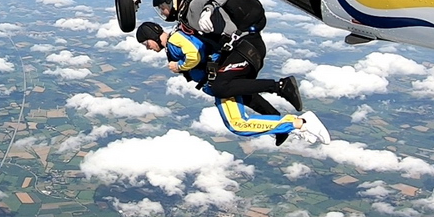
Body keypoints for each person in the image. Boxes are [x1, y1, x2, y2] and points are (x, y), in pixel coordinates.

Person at [136, 22, 329, 145]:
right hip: (218, 80)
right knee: (249, 101)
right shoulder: (176, 38)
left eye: (146, 43)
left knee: (238, 125)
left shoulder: (174, 41)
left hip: (218, 82)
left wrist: (179, 66)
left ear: (152, 36)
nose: (148, 48)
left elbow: (194, 54)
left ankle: (300, 123)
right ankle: (286, 127)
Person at [151, 0, 302, 111]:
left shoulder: (193, 5)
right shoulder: (185, 19)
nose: (162, 12)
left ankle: (281, 86)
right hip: (242, 49)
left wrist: (208, 9)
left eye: (162, 7)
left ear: (171, 1)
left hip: (248, 48)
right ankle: (274, 118)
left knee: (220, 86)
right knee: (234, 89)